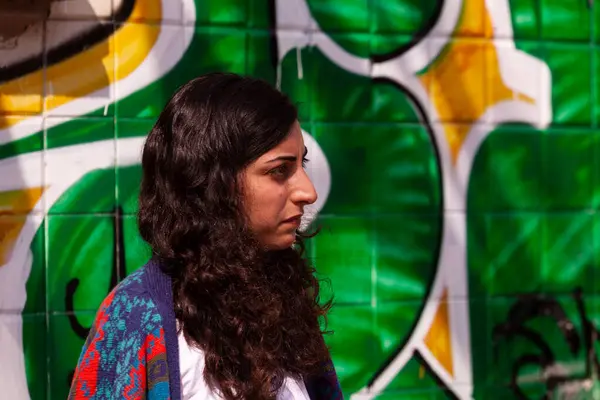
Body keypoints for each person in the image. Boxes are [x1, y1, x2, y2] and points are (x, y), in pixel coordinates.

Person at [68, 73, 342, 400]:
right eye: (279, 170)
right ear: (215, 184)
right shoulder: (135, 317)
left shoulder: (282, 302)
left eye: (302, 164)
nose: (308, 192)